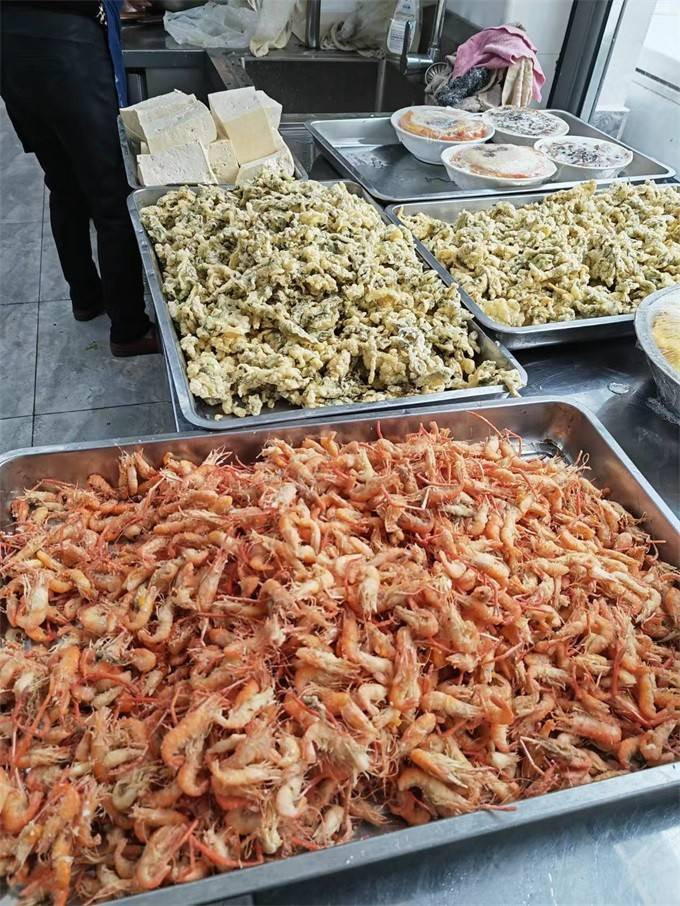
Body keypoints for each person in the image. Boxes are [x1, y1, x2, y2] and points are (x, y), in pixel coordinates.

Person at [1, 0, 158, 356]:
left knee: (64, 184)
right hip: (66, 45)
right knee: (112, 196)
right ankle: (129, 329)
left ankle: (86, 297)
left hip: (9, 42)